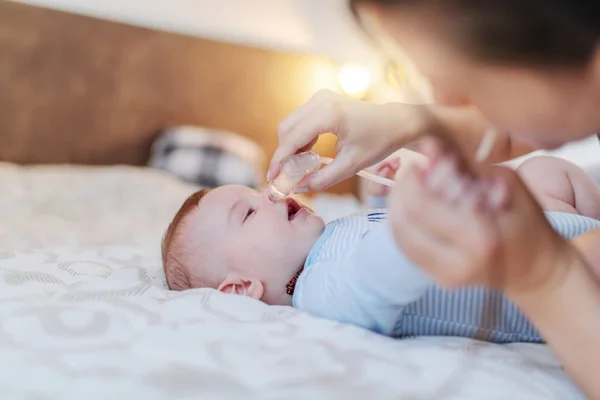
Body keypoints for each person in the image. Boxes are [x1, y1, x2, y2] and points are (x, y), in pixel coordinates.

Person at [266, 0, 600, 397]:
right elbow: (518, 124)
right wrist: (405, 121)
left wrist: (546, 274)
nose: (447, 102)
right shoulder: (316, 286)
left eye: (460, 77)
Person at [161, 152, 600, 345]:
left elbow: (373, 236)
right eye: (250, 213)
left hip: (532, 233)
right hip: (549, 284)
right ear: (241, 288)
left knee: (545, 172)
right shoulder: (317, 291)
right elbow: (378, 274)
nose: (271, 197)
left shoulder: (328, 241)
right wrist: (412, 213)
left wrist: (380, 201)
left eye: (260, 192)